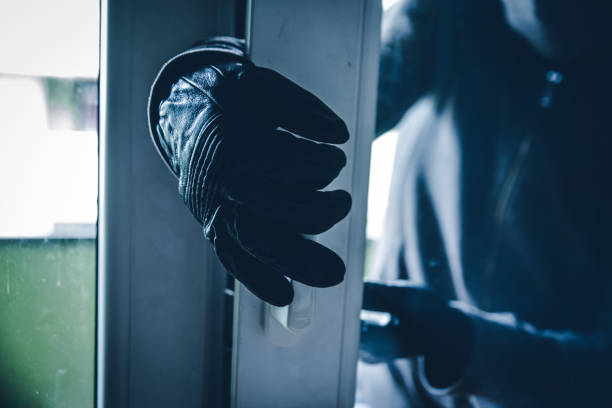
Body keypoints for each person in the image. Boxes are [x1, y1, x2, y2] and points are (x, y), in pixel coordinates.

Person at [147, 1, 611, 406]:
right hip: (378, 395)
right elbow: (326, 91)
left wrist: (468, 342)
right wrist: (200, 85)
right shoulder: (450, 15)